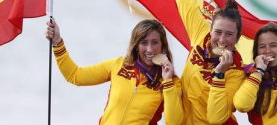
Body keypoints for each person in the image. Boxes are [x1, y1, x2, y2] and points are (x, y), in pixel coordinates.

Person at [159, 0, 246, 124]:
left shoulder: (236, 73)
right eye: (218, 32)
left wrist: (220, 74)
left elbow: (216, 118)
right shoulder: (201, 34)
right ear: (211, 29)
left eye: (229, 34)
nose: (221, 40)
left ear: (238, 37)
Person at [45, 19, 183, 125]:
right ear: (136, 45)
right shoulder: (119, 65)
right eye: (143, 42)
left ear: (163, 46)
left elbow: (174, 122)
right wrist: (57, 43)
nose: (149, 49)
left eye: (154, 42)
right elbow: (75, 76)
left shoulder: (172, 82)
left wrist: (167, 82)